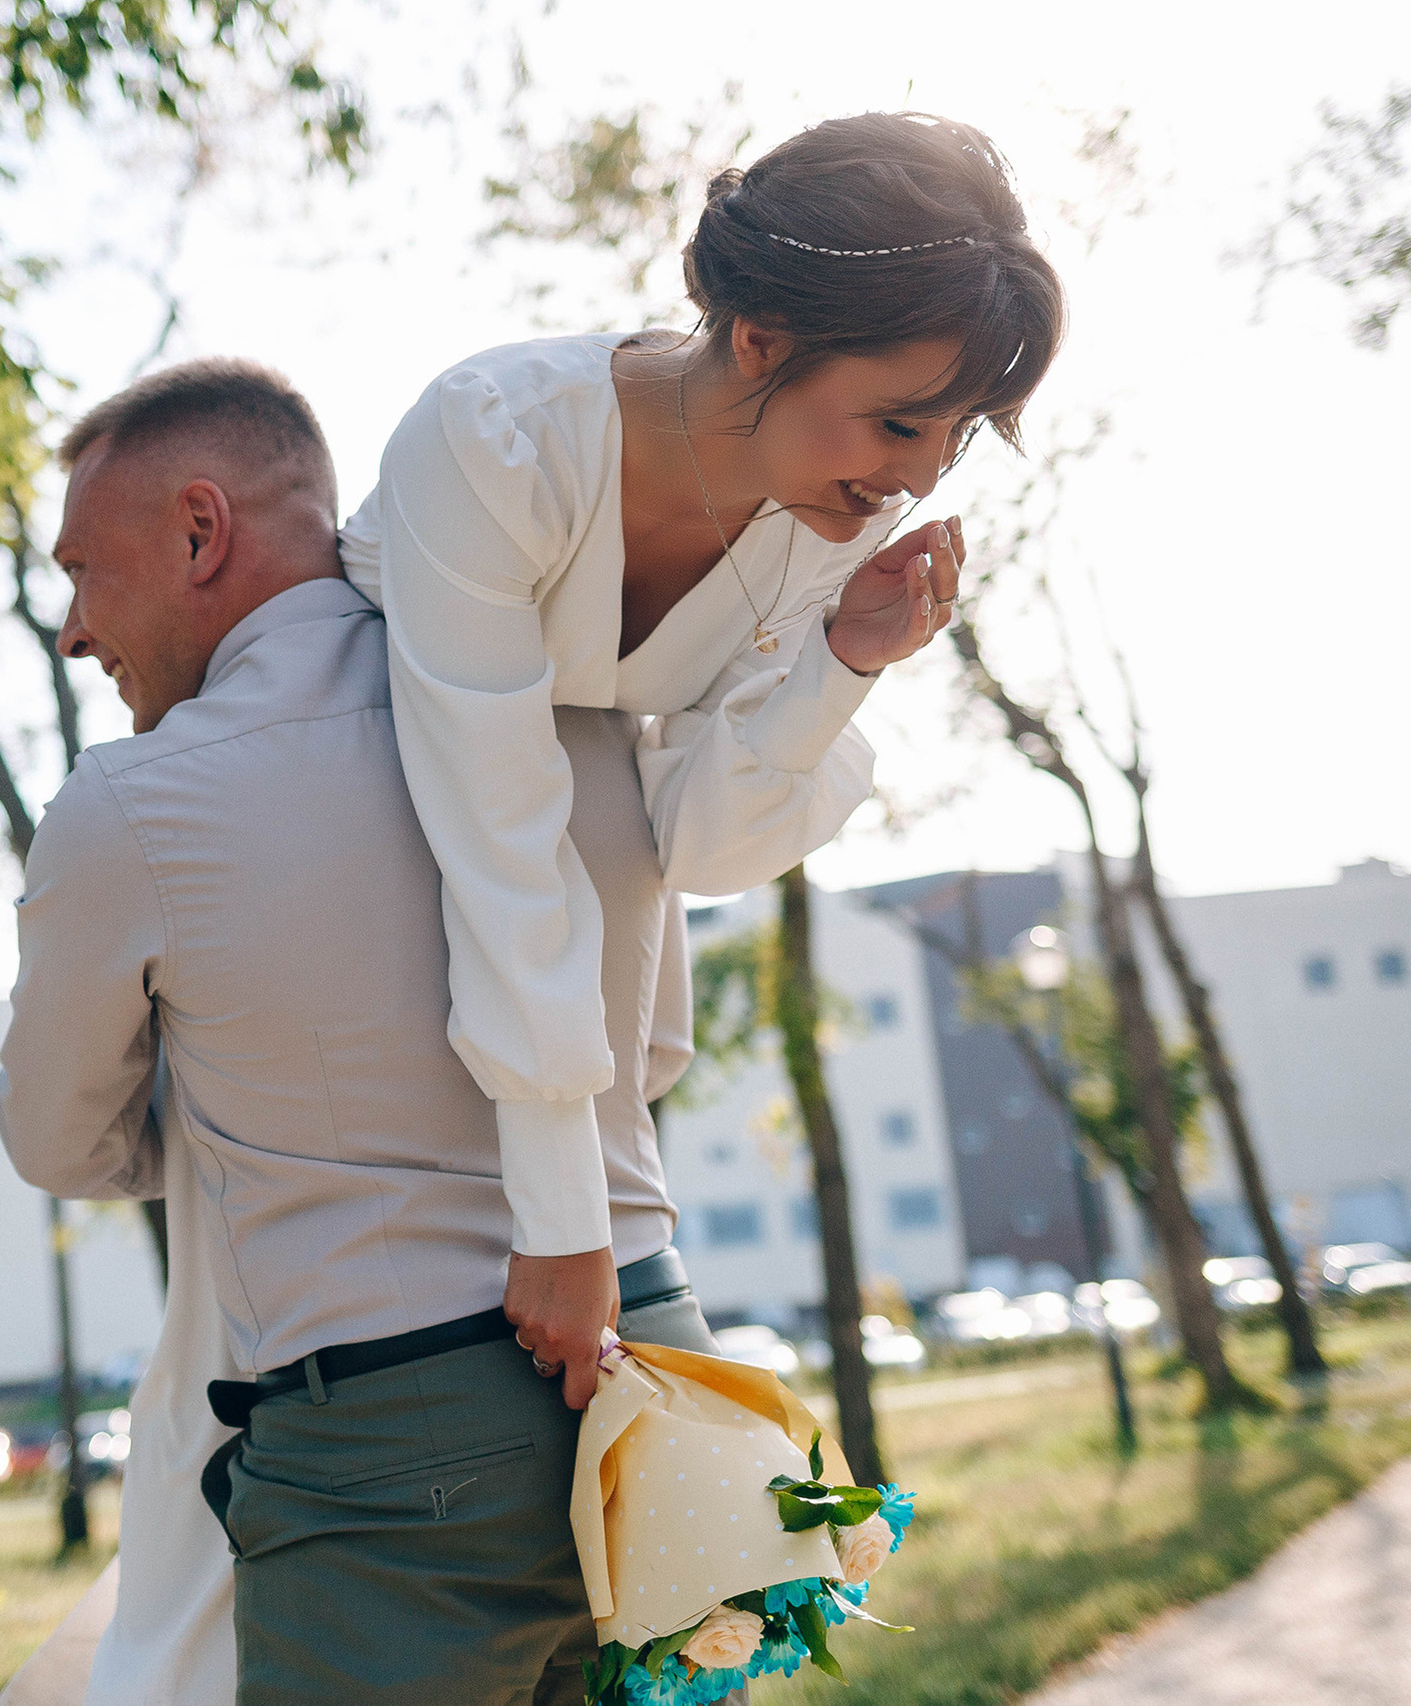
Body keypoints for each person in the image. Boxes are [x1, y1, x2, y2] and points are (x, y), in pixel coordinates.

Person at [0, 359, 739, 1705]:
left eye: (84, 570)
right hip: (664, 1374)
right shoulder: (569, 704)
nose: (74, 629)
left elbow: (60, 1138)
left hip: (403, 1457)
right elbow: (652, 1046)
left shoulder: (131, 807)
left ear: (200, 529)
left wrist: (240, 1104)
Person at [339, 110, 1063, 1401]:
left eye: (955, 437)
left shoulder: (825, 528)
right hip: (351, 785)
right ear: (761, 340)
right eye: (901, 423)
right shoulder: (497, 438)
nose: (916, 479)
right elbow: (504, 826)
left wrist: (845, 663)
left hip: (573, 915)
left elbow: (703, 849)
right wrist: (567, 1223)